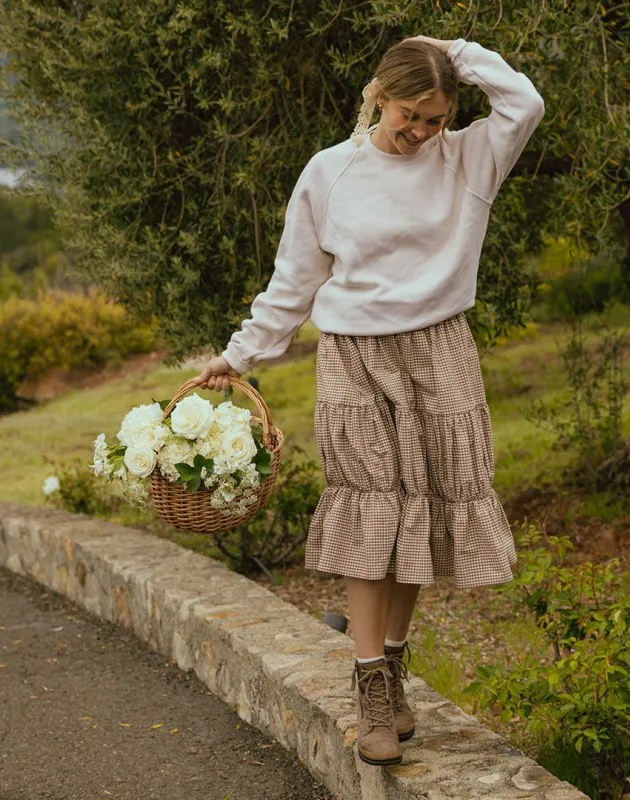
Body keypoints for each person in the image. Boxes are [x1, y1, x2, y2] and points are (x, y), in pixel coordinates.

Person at [193, 33, 545, 767]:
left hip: (440, 351)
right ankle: (370, 689)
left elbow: (526, 101)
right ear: (378, 95)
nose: (421, 132)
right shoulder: (330, 172)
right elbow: (294, 280)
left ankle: (395, 662)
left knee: (422, 506)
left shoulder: (468, 159)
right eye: (410, 114)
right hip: (353, 355)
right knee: (372, 505)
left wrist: (452, 50)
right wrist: (239, 353)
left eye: (436, 119)